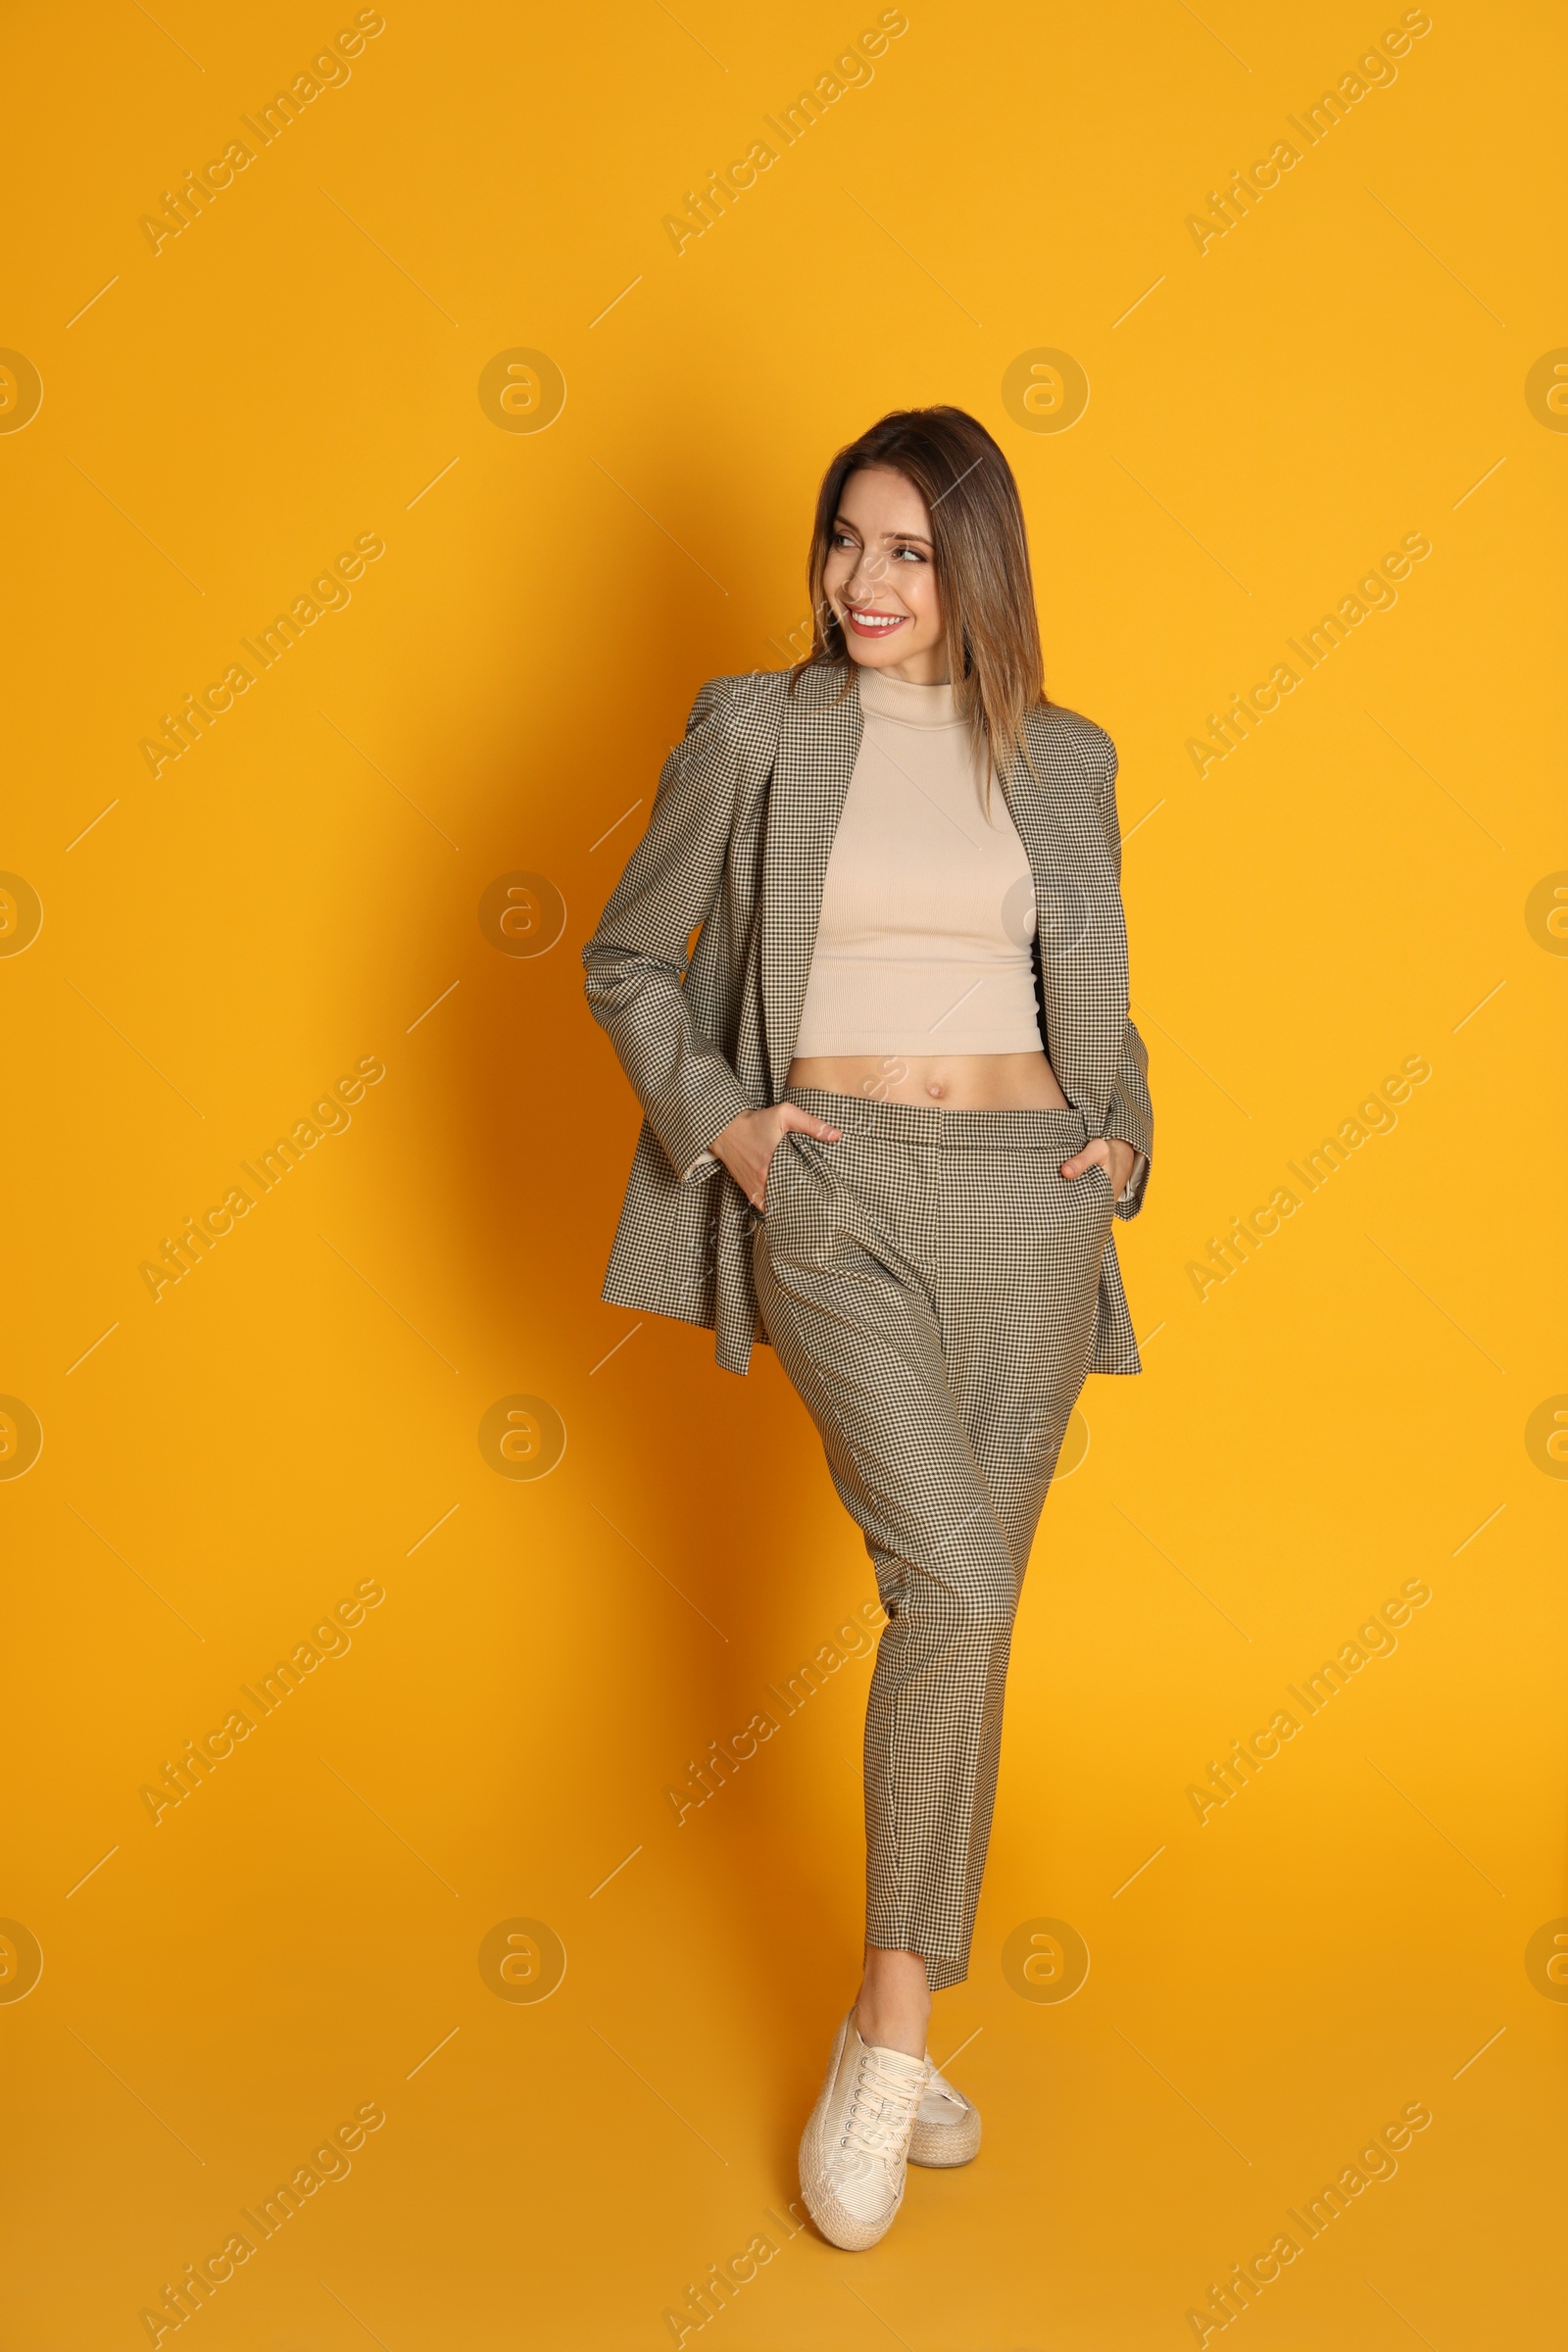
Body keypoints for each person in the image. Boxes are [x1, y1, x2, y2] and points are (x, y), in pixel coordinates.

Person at [582, 406, 1152, 2250]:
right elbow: (623, 956)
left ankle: (887, 2025)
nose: (862, 582)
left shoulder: (1065, 761)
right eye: (844, 540)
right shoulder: (758, 731)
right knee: (961, 1591)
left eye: (906, 549)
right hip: (828, 1184)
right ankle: (891, 2041)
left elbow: (1105, 1006)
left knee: (964, 1610)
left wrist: (1123, 1138)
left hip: (1026, 1206)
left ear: (974, 567)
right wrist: (725, 1125)